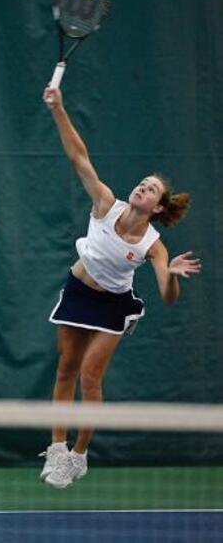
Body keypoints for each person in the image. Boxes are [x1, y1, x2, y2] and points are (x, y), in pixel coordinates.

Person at [39, 86, 201, 489]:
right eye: (142, 183)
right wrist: (59, 109)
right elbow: (79, 157)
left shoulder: (153, 246)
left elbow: (165, 293)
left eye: (151, 190)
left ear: (158, 208)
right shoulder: (105, 203)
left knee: (90, 379)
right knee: (65, 370)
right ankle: (58, 450)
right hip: (78, 292)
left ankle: (80, 454)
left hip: (112, 306)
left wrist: (173, 279)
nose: (142, 188)